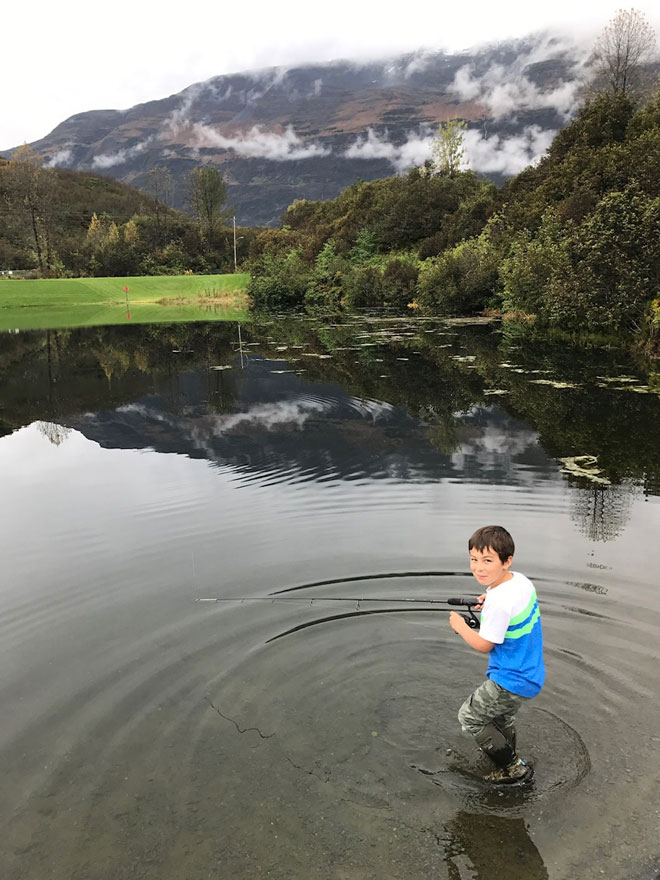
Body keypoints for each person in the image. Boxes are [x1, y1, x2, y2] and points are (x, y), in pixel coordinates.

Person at [449, 525, 545, 784]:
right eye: (474, 559)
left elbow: (484, 645)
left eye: (488, 560)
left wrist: (459, 626)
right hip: (530, 674)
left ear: (506, 561)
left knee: (469, 717)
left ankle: (514, 768)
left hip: (510, 678)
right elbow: (504, 601)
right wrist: (488, 596)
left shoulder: (499, 603)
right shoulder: (519, 581)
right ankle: (507, 756)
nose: (479, 567)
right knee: (501, 717)